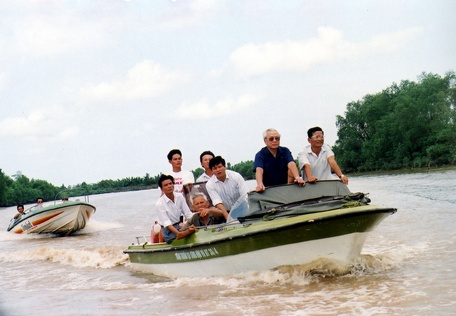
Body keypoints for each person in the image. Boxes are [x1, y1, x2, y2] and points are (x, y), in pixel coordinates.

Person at [155, 174, 196, 244]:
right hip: (168, 231)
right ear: (162, 189)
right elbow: (167, 224)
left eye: (170, 184)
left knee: (195, 231)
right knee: (187, 234)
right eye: (166, 185)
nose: (169, 186)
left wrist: (197, 219)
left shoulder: (179, 197)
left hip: (179, 226)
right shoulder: (159, 203)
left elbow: (188, 214)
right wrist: (180, 234)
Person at [206, 156, 248, 220]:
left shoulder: (236, 176)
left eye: (220, 167)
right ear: (212, 171)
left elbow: (245, 195)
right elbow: (217, 202)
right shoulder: (210, 184)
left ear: (225, 166)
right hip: (225, 211)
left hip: (242, 208)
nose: (218, 170)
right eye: (215, 168)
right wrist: (228, 217)